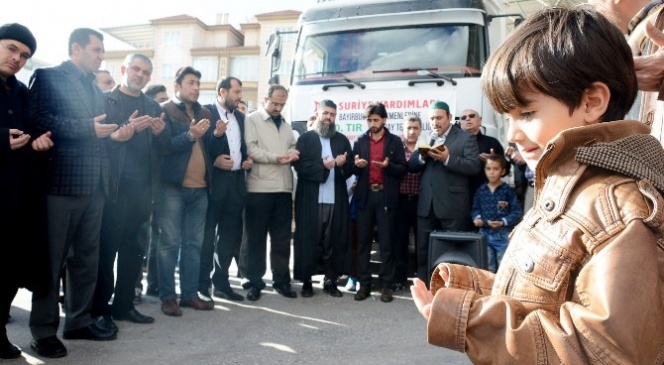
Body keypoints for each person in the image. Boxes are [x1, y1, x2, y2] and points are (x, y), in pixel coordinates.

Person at [411, 7, 664, 363]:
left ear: (592, 101)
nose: (513, 134)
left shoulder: (616, 208)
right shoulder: (571, 185)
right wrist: (473, 291)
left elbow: (606, 349)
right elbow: (551, 297)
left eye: (527, 114)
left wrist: (468, 317)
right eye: (508, 117)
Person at [28, 28, 122, 358]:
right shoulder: (48, 76)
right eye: (97, 50)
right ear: (76, 48)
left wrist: (113, 136)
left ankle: (78, 321)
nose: (101, 56)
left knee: (86, 260)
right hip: (61, 185)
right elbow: (36, 119)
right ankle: (43, 331)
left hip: (95, 186)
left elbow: (97, 131)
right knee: (51, 263)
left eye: (102, 51)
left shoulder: (95, 88)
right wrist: (88, 129)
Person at [90, 53, 169, 327]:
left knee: (134, 251)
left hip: (143, 191)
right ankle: (99, 309)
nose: (140, 75)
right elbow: (95, 143)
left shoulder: (152, 105)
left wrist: (161, 134)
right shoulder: (105, 100)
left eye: (146, 72)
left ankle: (123, 306)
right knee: (106, 251)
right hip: (113, 188)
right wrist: (119, 135)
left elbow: (164, 150)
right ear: (124, 69)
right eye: (135, 69)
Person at [0, 22, 53, 360]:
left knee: (9, 270)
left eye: (24, 55)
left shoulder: (21, 92)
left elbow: (33, 129)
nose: (17, 59)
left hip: (16, 197)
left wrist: (38, 141)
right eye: (12, 49)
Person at [157, 66, 214, 316]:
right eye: (191, 82)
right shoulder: (165, 110)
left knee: (194, 245)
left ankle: (189, 295)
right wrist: (190, 135)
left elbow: (209, 148)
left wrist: (218, 136)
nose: (196, 87)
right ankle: (168, 297)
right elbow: (164, 147)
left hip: (200, 189)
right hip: (173, 188)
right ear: (177, 86)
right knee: (169, 244)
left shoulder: (204, 112)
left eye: (198, 83)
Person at [408, 101, 480, 283]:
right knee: (423, 250)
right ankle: (424, 287)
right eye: (432, 118)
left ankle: (452, 291)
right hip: (426, 205)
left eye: (439, 118)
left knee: (452, 252)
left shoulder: (465, 138)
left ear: (449, 117)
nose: (435, 122)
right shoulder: (425, 137)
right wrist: (421, 158)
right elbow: (412, 166)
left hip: (452, 206)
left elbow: (474, 166)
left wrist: (448, 159)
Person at [243, 84, 300, 301]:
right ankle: (255, 282)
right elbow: (250, 148)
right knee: (256, 239)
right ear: (265, 99)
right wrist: (275, 157)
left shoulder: (286, 125)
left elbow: (293, 146)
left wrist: (293, 153)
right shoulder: (252, 119)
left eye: (282, 104)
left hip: (284, 189)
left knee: (282, 239)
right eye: (274, 103)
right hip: (259, 188)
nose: (278, 107)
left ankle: (281, 281)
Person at [198, 76, 252, 302]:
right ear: (222, 91)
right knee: (207, 237)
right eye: (236, 92)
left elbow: (243, 147)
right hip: (214, 185)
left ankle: (221, 283)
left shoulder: (240, 117)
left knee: (229, 237)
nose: (240, 96)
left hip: (236, 184)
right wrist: (215, 160)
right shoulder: (205, 113)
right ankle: (202, 286)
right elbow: (200, 148)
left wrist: (247, 160)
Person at [293, 99, 353, 298]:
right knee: (310, 239)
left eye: (333, 114)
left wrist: (343, 164)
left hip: (335, 199)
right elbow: (300, 166)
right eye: (326, 113)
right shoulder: (306, 139)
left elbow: (350, 168)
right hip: (311, 199)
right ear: (317, 113)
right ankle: (307, 281)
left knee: (332, 241)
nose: (329, 118)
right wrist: (323, 167)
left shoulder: (341, 140)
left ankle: (330, 280)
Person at [352, 102, 407, 303]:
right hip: (365, 197)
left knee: (386, 243)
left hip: (386, 197)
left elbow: (403, 169)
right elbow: (352, 169)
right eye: (369, 120)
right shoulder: (360, 141)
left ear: (384, 120)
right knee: (363, 242)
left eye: (376, 120)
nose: (372, 123)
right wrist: (357, 166)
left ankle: (386, 285)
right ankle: (364, 284)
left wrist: (388, 166)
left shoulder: (393, 142)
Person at [470, 154, 522, 273]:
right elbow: (475, 208)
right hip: (484, 235)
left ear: (502, 171)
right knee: (487, 268)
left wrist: (503, 222)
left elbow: (516, 212)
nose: (491, 172)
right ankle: (490, 291)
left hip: (503, 236)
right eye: (488, 169)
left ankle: (502, 290)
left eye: (495, 169)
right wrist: (477, 218)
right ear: (484, 170)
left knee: (504, 268)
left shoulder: (507, 190)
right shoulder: (481, 190)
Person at [393, 115, 422, 291]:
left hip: (420, 201)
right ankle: (399, 278)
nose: (412, 131)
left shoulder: (425, 148)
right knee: (399, 241)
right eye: (409, 128)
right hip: (401, 200)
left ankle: (421, 280)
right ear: (403, 129)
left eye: (415, 128)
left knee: (421, 242)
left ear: (420, 130)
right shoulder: (396, 148)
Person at [459, 109, 507, 200]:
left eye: (472, 116)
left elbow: (506, 169)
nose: (468, 119)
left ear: (480, 121)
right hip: (461, 196)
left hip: (487, 195)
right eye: (464, 118)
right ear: (461, 123)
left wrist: (493, 161)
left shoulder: (492, 142)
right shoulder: (455, 144)